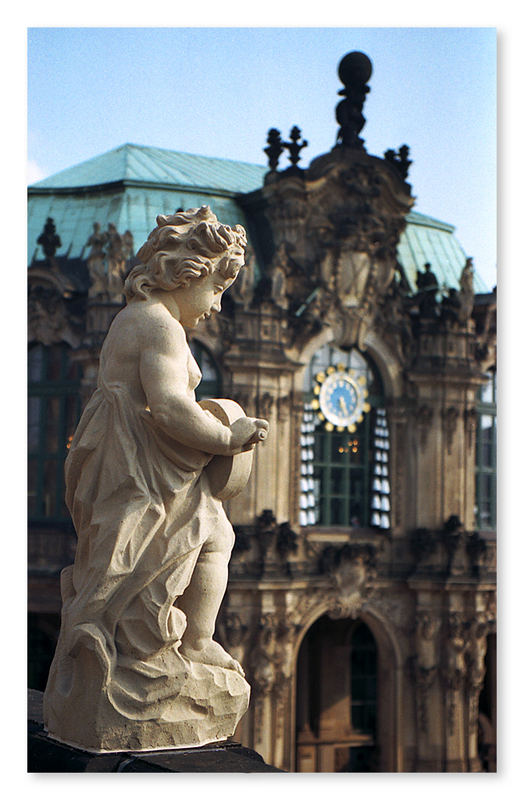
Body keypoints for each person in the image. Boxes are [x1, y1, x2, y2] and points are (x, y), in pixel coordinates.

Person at [43, 206, 268, 750]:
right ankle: (165, 649)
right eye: (216, 290)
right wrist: (227, 439)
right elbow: (168, 407)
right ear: (184, 274)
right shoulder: (157, 324)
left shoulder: (143, 319)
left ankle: (193, 641)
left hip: (148, 464)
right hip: (137, 473)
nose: (216, 306)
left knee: (211, 537)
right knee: (144, 563)